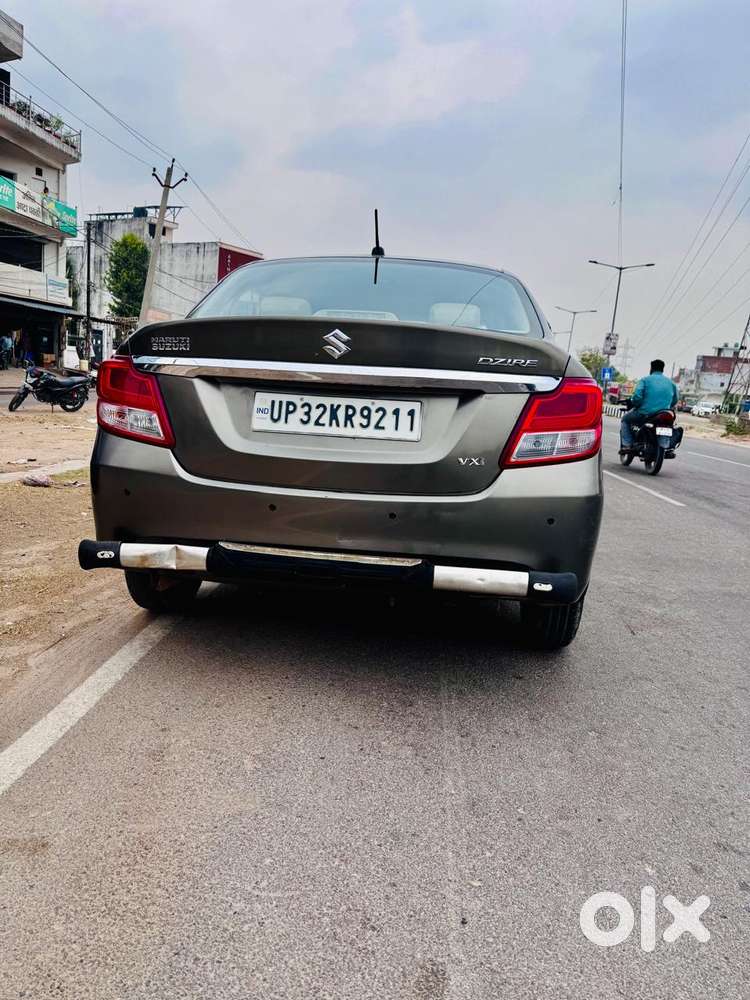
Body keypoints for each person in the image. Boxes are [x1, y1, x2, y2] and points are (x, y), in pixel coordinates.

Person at [620, 359, 679, 453]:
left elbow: (637, 397)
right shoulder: (671, 383)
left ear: (651, 369)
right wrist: (667, 406)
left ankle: (627, 445)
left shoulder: (645, 380)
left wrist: (635, 404)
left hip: (645, 413)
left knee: (625, 420)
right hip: (665, 414)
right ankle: (666, 447)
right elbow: (675, 400)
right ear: (662, 369)